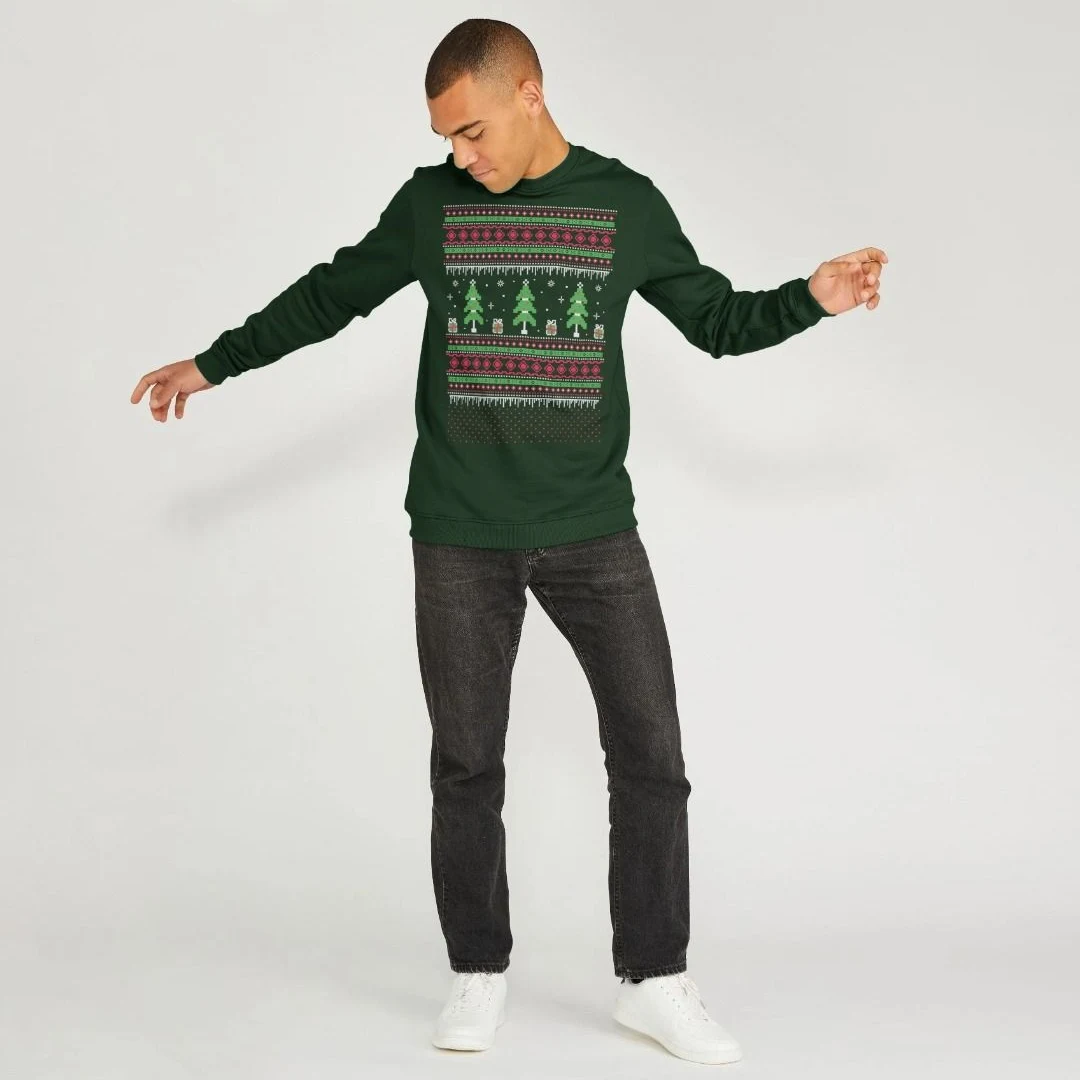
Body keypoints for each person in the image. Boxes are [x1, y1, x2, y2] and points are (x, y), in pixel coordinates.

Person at [130, 17, 886, 1065]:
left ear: (530, 94)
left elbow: (717, 322)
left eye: (473, 131)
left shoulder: (623, 205)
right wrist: (213, 364)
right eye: (445, 138)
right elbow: (330, 295)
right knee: (467, 765)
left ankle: (654, 981)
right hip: (458, 534)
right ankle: (477, 973)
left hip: (592, 531)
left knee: (652, 759)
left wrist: (813, 298)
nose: (460, 156)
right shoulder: (430, 207)